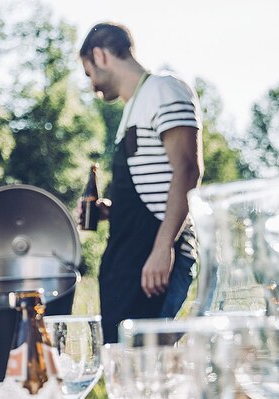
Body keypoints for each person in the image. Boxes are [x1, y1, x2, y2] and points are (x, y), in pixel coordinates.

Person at [78, 23, 202, 343]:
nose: (91, 85)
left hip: (156, 258)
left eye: (89, 73)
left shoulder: (163, 88)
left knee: (149, 368)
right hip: (130, 260)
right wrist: (110, 211)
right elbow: (153, 187)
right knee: (126, 368)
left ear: (100, 55)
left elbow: (187, 170)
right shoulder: (133, 107)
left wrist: (162, 249)